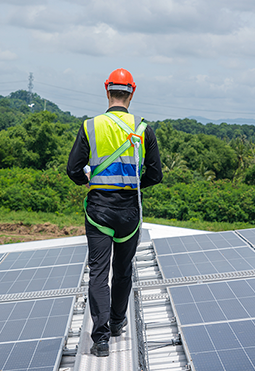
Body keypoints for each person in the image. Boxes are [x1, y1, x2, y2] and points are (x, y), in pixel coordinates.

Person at [67, 68, 163, 357]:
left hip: (99, 211)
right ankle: (118, 322)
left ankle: (101, 339)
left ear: (106, 90)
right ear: (132, 92)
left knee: (98, 272)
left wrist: (91, 180)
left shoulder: (90, 127)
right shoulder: (144, 129)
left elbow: (73, 170)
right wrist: (134, 186)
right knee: (122, 271)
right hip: (129, 213)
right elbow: (155, 174)